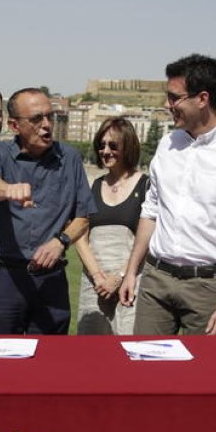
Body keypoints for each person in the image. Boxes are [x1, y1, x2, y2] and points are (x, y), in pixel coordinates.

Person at [119, 54, 216, 335]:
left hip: (209, 288)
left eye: (174, 98)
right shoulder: (167, 145)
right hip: (155, 281)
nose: (167, 105)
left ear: (202, 99)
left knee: (204, 378)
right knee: (144, 371)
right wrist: (131, 272)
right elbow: (151, 211)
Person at [0, 87, 94, 335]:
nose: (46, 125)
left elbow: (83, 218)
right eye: (36, 119)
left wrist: (61, 242)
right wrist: (9, 189)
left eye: (49, 117)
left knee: (50, 361)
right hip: (2, 278)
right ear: (14, 125)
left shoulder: (70, 158)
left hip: (50, 280)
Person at [74, 117, 148, 335]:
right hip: (94, 284)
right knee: (91, 352)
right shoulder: (95, 185)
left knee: (127, 349)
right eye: (101, 145)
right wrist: (98, 276)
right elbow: (81, 236)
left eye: (113, 146)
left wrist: (120, 276)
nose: (105, 151)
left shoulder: (146, 185)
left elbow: (149, 239)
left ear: (128, 146)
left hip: (130, 283)